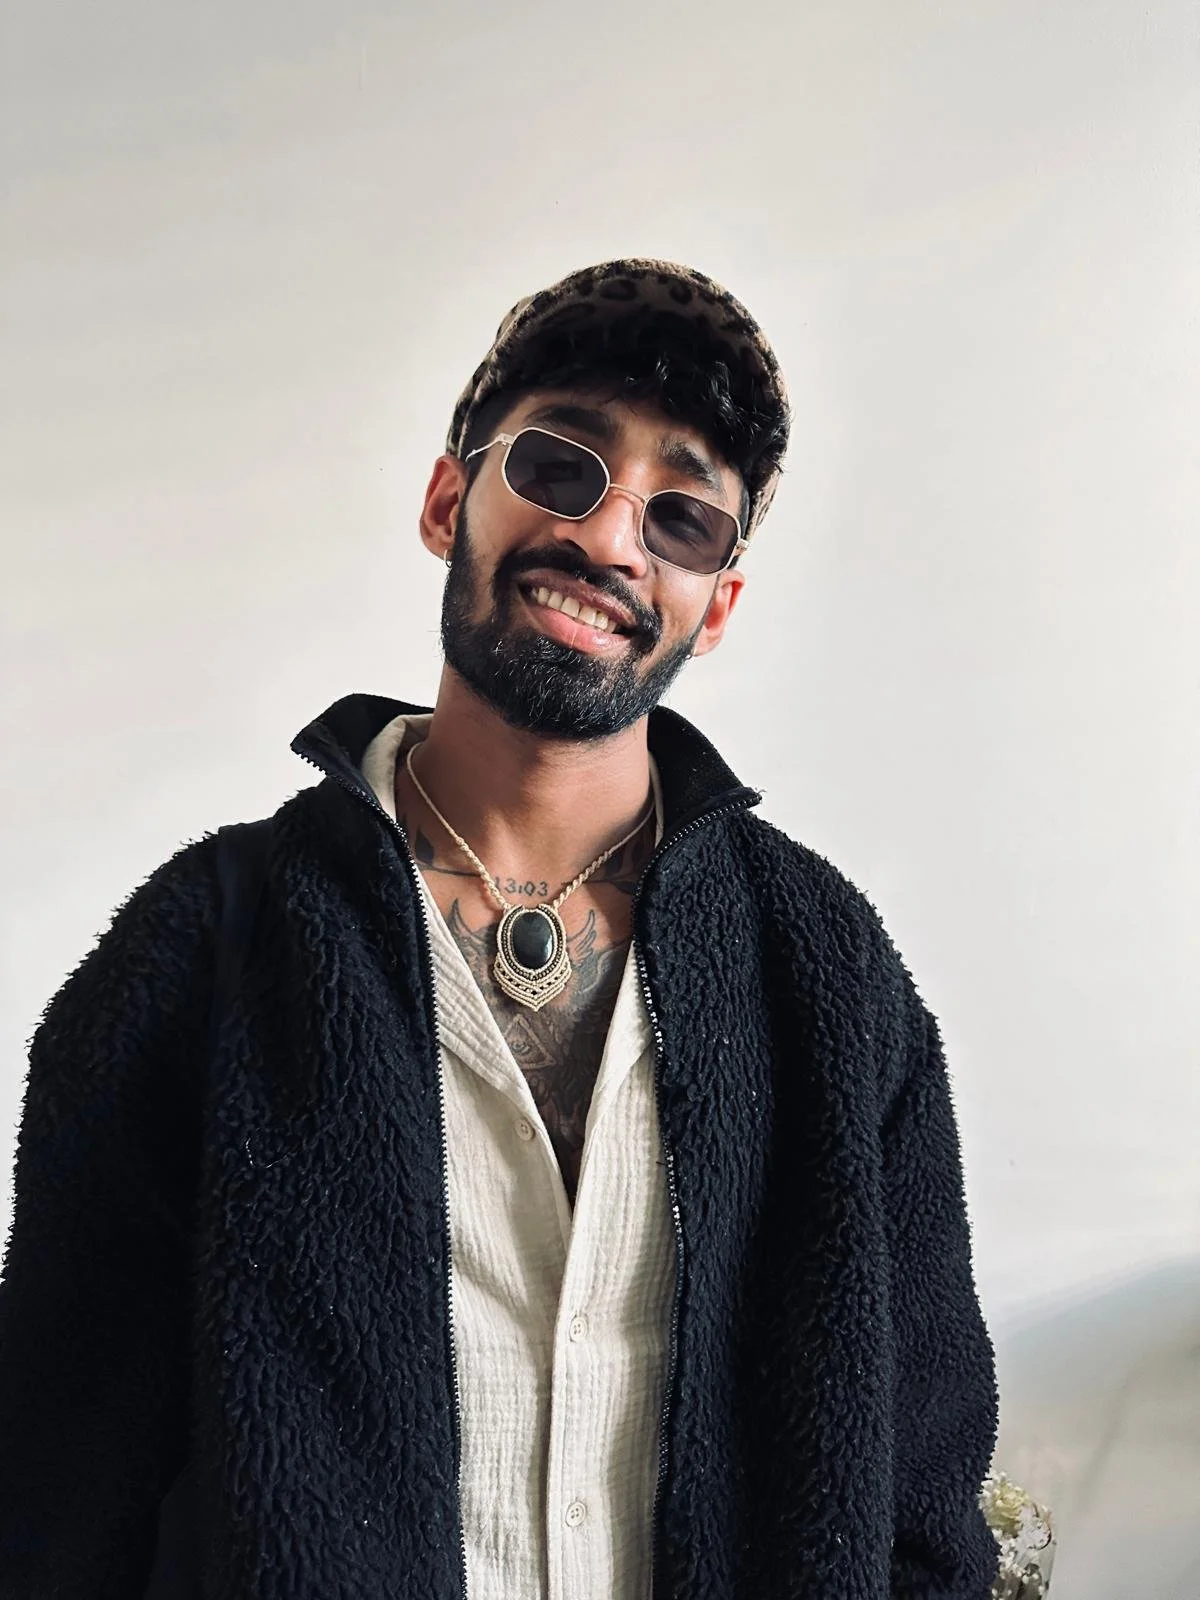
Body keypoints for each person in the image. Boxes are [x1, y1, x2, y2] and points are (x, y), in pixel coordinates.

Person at [0, 258, 1001, 1600]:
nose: (611, 540)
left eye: (682, 515)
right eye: (561, 465)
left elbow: (924, 1499)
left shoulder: (823, 971)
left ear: (718, 605)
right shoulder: (202, 951)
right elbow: (59, 1498)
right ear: (447, 500)